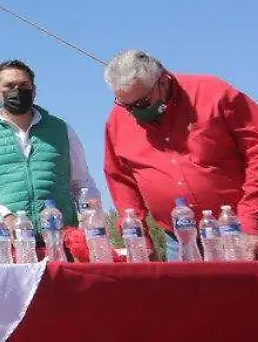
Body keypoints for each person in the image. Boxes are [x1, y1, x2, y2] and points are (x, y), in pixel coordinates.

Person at [103, 49, 258, 261]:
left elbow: (255, 149)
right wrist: (140, 241)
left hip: (238, 228)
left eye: (142, 103)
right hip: (180, 241)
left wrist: (251, 221)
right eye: (126, 105)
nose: (134, 113)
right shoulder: (117, 122)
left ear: (163, 81)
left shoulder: (212, 93)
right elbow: (120, 180)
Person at [0, 59, 100, 230]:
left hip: (61, 239)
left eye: (23, 85)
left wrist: (92, 220)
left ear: (34, 90)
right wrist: (3, 214)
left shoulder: (62, 130)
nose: (17, 91)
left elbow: (82, 183)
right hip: (6, 242)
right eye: (9, 85)